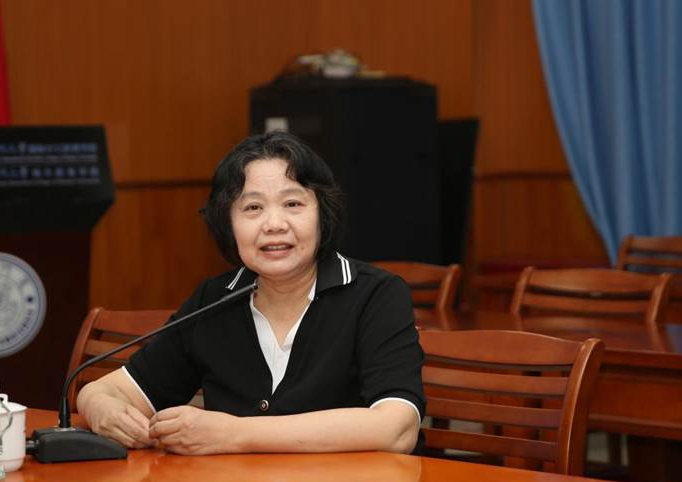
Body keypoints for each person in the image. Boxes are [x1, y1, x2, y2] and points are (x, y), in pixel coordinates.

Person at [77, 131, 424, 455]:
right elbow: (104, 391)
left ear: (322, 214)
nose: (274, 224)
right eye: (253, 208)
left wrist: (234, 433)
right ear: (228, 224)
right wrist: (101, 408)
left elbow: (396, 429)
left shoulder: (375, 294)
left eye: (293, 204)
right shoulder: (214, 301)